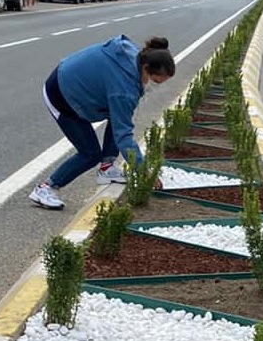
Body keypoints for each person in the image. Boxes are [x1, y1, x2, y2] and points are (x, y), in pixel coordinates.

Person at [28, 35, 175, 210]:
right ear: (145, 68)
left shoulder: (132, 54)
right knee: (90, 154)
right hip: (61, 95)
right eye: (155, 81)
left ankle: (107, 167)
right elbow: (124, 137)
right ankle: (45, 188)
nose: (153, 86)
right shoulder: (123, 90)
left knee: (119, 117)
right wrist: (144, 172)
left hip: (69, 76)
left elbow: (121, 121)